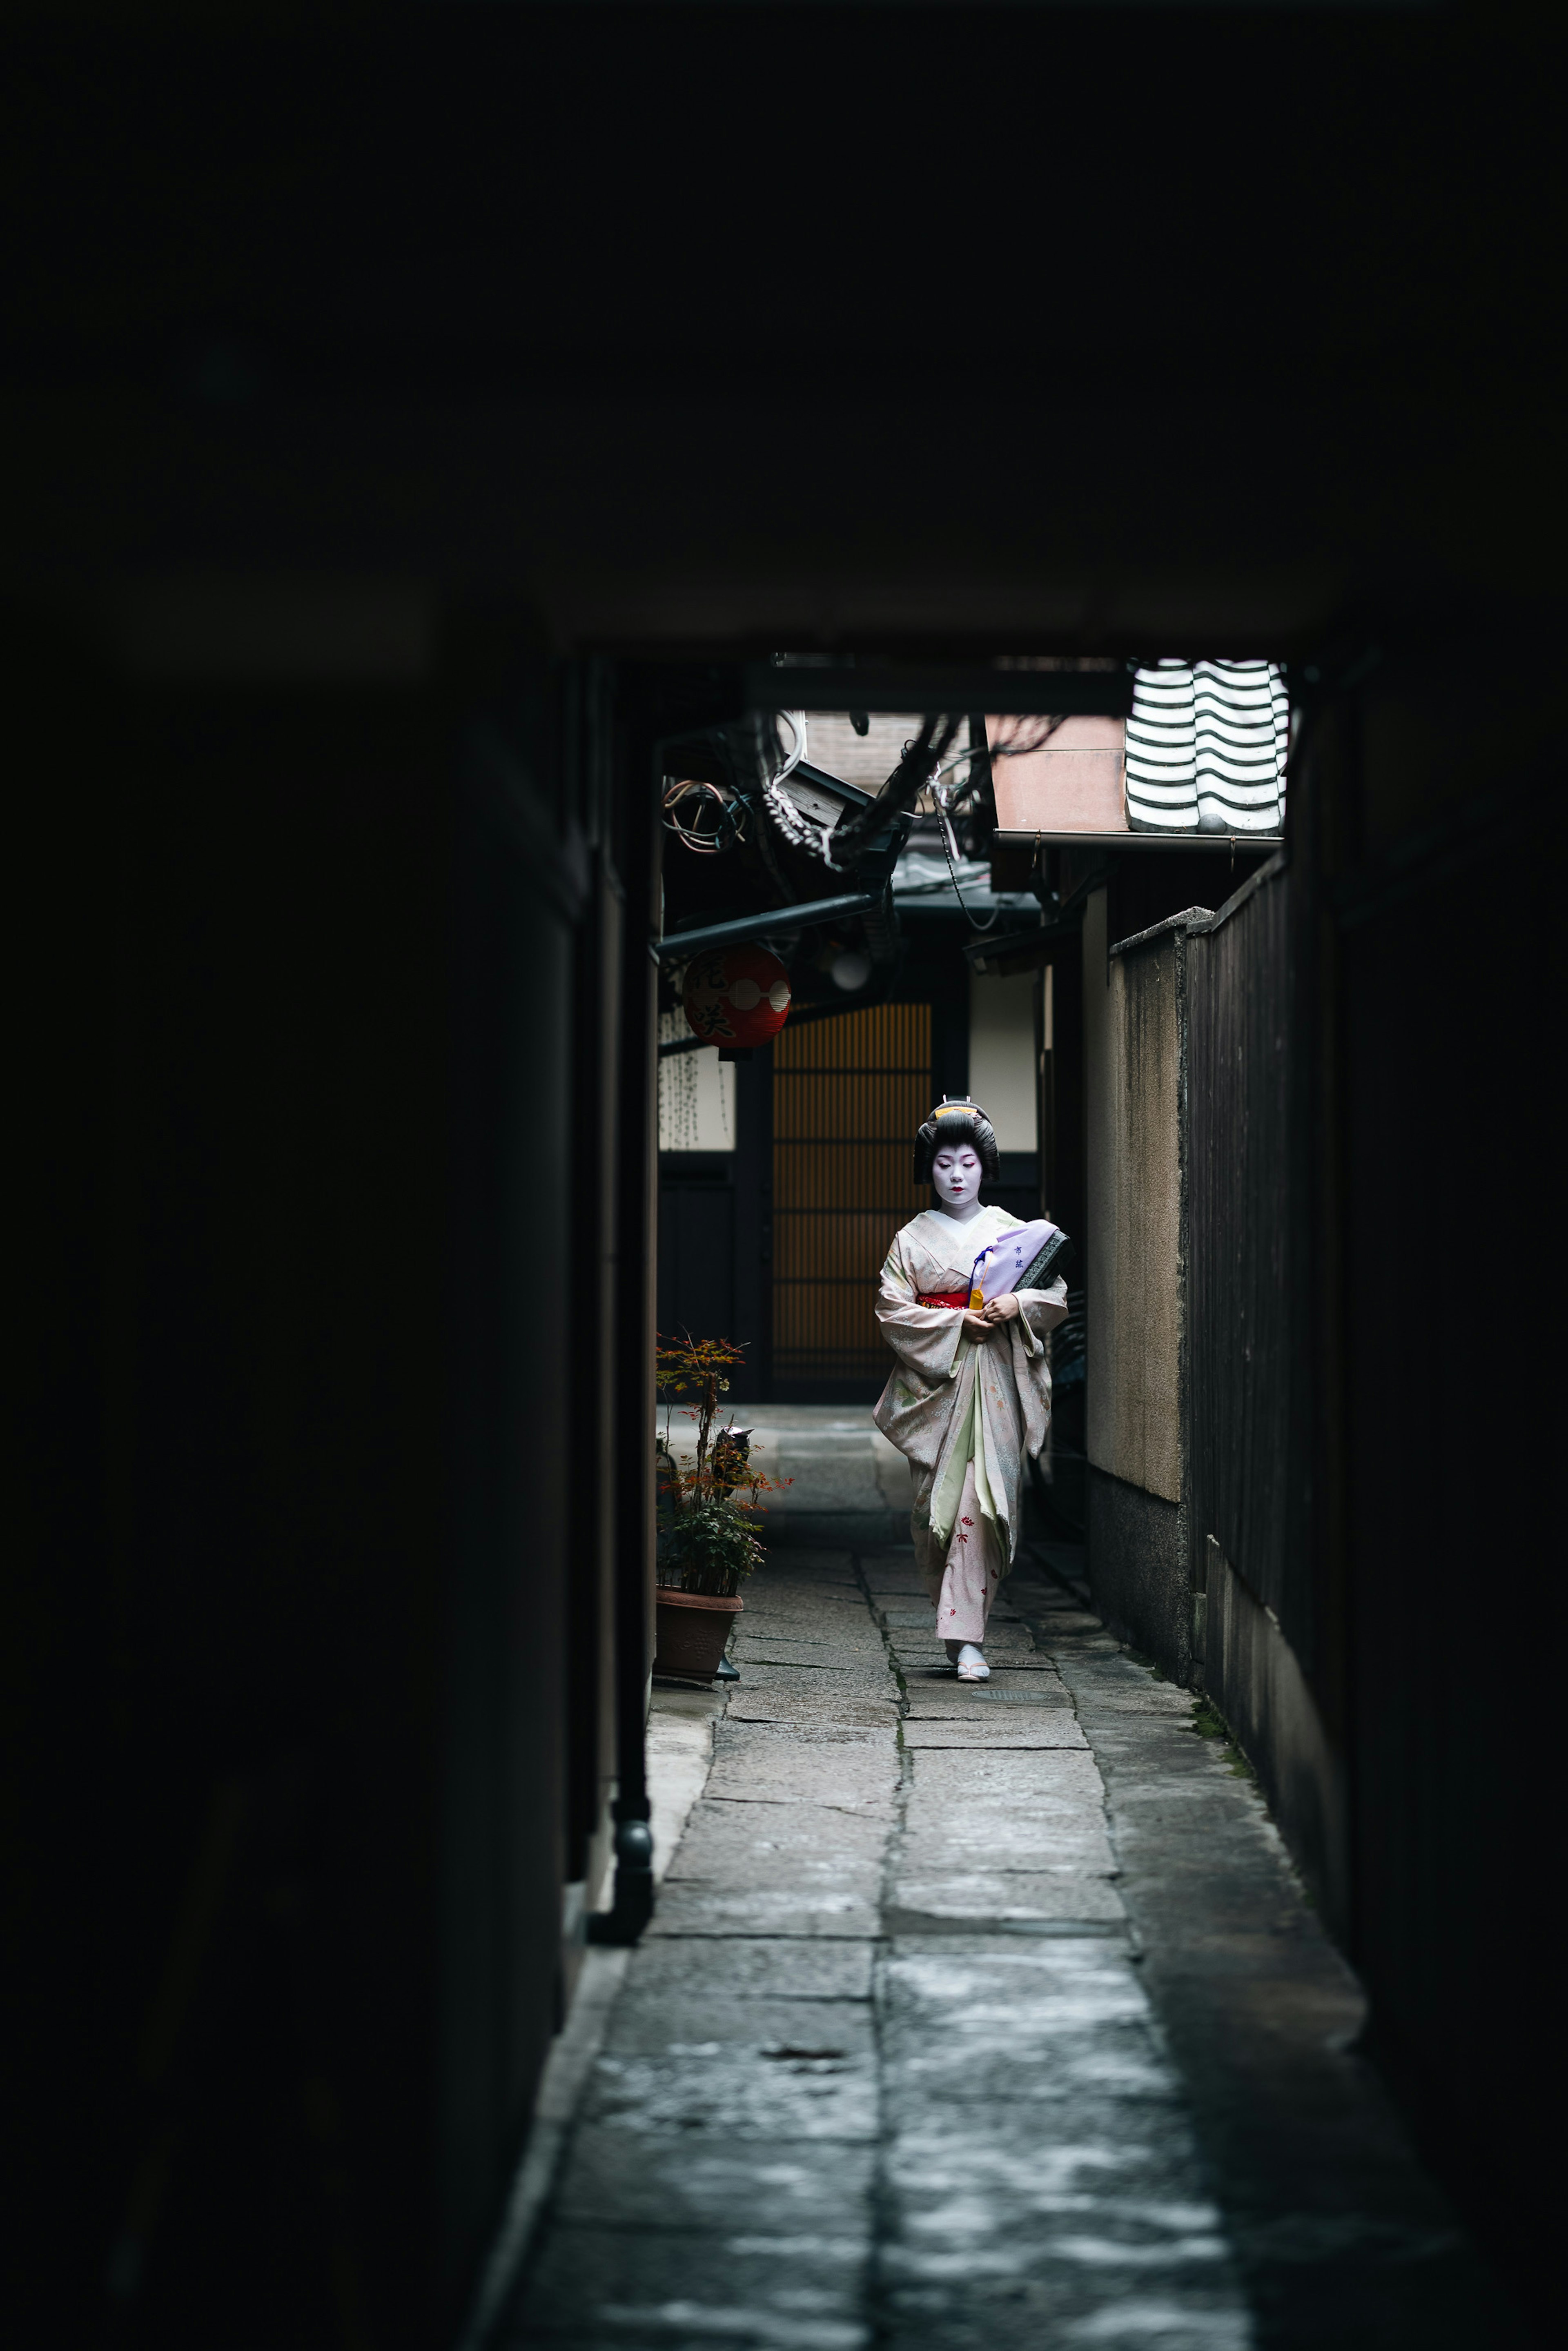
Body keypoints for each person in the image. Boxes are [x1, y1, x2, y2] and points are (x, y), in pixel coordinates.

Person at [873, 1099, 1069, 1681]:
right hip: (941, 1384)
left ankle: (965, 1638)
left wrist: (1019, 1302)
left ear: (986, 1166)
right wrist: (957, 1321)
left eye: (968, 1162)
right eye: (943, 1164)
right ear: (926, 1169)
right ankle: (961, 1635)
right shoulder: (911, 1241)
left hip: (996, 1383)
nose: (957, 1175)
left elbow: (1054, 1295)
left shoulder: (1014, 1232)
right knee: (938, 1509)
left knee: (986, 1503)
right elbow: (891, 1309)